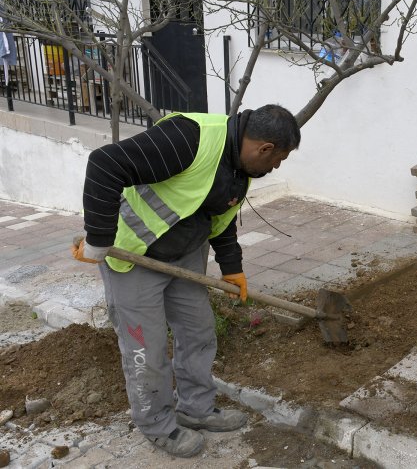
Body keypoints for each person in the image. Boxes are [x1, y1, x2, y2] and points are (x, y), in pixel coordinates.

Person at [71, 105, 301, 457]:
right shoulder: (189, 138)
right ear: (264, 148)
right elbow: (105, 163)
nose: (277, 167)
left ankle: (196, 409)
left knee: (198, 331)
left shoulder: (241, 166)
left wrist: (231, 267)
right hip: (134, 254)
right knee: (146, 350)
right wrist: (99, 238)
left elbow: (219, 215)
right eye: (279, 159)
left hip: (185, 255)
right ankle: (157, 425)